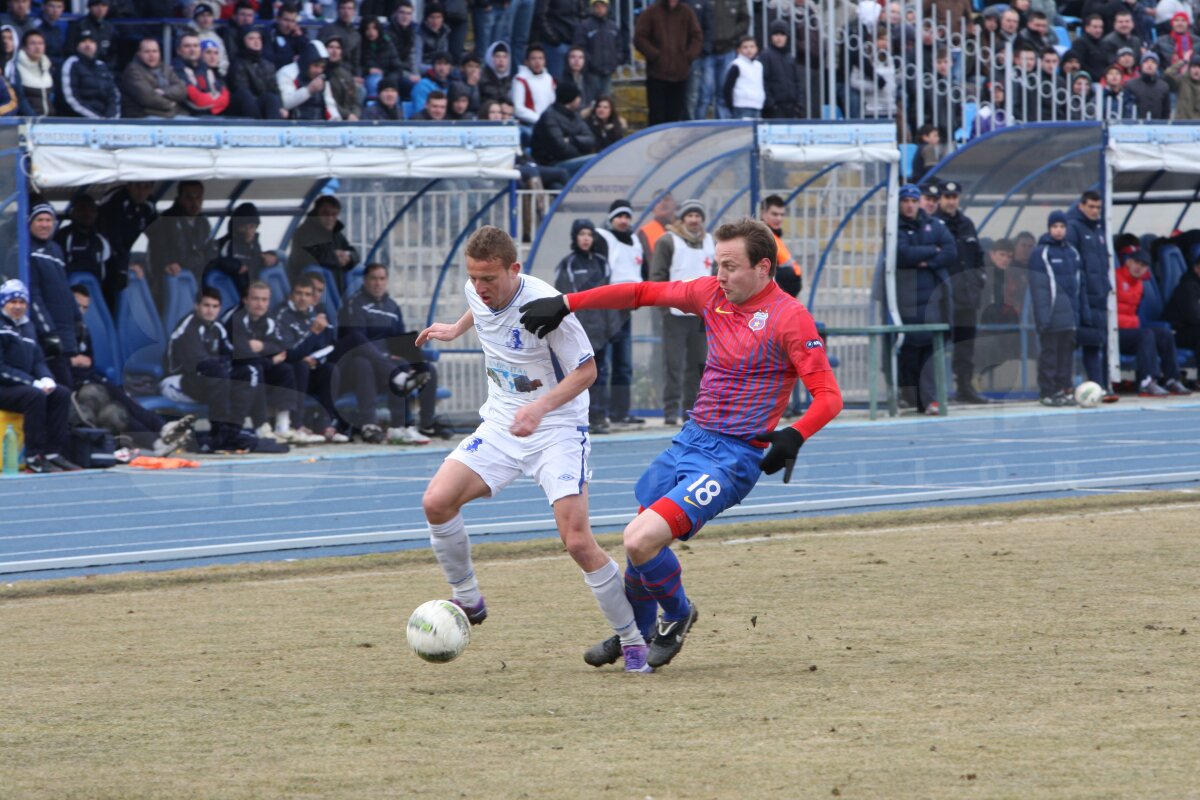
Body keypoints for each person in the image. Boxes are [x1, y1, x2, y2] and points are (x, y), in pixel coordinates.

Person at [518, 217, 843, 669]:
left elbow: (829, 397)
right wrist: (566, 303)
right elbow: (640, 293)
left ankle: (677, 615)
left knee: (639, 539)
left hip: (732, 458)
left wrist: (794, 433)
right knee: (643, 542)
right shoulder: (710, 294)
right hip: (690, 441)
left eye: (730, 266)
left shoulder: (790, 317)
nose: (720, 275)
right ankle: (635, 632)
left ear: (764, 268)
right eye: (716, 264)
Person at [416, 225, 653, 672]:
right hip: (503, 423)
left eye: (490, 279)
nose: (480, 288)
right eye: (474, 279)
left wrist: (540, 408)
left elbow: (586, 372)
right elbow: (480, 309)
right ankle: (469, 599)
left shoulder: (545, 305)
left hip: (557, 427)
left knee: (577, 541)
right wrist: (454, 328)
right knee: (437, 502)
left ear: (514, 269)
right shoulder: (476, 288)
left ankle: (632, 639)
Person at [69, 285, 195, 455]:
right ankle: (158, 435)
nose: (81, 311)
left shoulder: (83, 330)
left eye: (85, 308)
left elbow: (90, 362)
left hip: (90, 379)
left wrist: (83, 363)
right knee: (116, 407)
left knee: (122, 402)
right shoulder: (58, 330)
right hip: (74, 387)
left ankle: (160, 434)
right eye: (78, 306)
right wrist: (73, 360)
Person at [335, 263, 436, 444]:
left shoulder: (392, 307)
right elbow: (356, 341)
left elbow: (399, 339)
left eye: (382, 279)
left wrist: (409, 358)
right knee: (363, 361)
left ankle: (419, 425)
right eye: (373, 278)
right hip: (358, 365)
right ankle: (370, 425)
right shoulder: (355, 304)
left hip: (387, 364)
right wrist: (385, 358)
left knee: (425, 369)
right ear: (365, 280)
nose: (378, 283)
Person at [163, 287, 262, 453]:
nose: (210, 310)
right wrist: (225, 363)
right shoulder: (188, 326)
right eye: (206, 305)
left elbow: (231, 356)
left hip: (208, 380)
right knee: (219, 374)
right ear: (197, 306)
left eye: (215, 306)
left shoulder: (218, 327)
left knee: (249, 372)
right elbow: (199, 363)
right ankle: (219, 433)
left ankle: (232, 430)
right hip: (177, 383)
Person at [0, 279, 80, 473]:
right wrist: (32, 382)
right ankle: (33, 455)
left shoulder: (28, 327)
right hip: (4, 387)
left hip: (22, 386)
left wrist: (46, 379)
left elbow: (38, 361)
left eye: (22, 302)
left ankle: (53, 452)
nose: (18, 306)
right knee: (34, 396)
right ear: (4, 303)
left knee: (60, 393)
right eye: (13, 302)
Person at [650, 198, 713, 425]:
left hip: (700, 316)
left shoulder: (711, 242)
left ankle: (691, 410)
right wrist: (665, 309)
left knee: (697, 366)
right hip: (674, 315)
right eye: (690, 216)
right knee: (673, 365)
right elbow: (657, 277)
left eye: (698, 216)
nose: (694, 220)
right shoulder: (668, 241)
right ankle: (670, 410)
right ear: (682, 218)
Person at [895, 183, 956, 415]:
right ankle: (908, 396)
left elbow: (950, 251)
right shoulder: (895, 227)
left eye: (913, 201)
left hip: (933, 299)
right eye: (905, 201)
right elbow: (903, 253)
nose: (910, 206)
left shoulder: (935, 224)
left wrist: (926, 262)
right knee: (909, 350)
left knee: (932, 351)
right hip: (907, 299)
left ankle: (931, 400)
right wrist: (933, 250)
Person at [554, 219, 620, 432]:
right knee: (578, 373)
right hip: (579, 330)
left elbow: (610, 296)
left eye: (589, 234)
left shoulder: (602, 262)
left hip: (600, 328)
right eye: (582, 234)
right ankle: (579, 417)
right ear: (575, 237)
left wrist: (612, 326)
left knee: (601, 372)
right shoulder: (568, 264)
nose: (586, 238)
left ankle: (599, 416)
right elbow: (562, 298)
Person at [933, 180, 991, 404]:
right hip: (944, 298)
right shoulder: (935, 224)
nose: (951, 202)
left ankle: (965, 388)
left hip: (967, 297)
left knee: (966, 347)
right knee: (938, 346)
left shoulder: (966, 223)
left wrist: (980, 279)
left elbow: (977, 255)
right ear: (940, 199)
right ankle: (934, 392)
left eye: (954, 197)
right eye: (947, 197)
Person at [272, 276, 345, 443]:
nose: (302, 298)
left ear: (313, 298)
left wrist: (317, 359)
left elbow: (330, 346)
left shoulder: (318, 315)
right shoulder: (282, 314)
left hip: (313, 369)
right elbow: (290, 353)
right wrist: (312, 333)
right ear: (291, 295)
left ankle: (325, 424)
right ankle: (297, 425)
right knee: (299, 365)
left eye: (307, 294)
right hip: (290, 373)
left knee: (331, 369)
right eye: (299, 293)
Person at [593, 199, 644, 426]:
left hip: (627, 306)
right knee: (602, 361)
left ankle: (620, 411)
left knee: (623, 363)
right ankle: (598, 411)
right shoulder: (603, 237)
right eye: (619, 216)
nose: (623, 220)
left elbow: (642, 269)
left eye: (627, 216)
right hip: (607, 306)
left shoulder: (635, 240)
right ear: (611, 218)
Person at [1029, 210, 1086, 407]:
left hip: (1069, 318)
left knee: (1066, 355)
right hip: (1052, 317)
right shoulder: (1041, 253)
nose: (1059, 231)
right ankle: (1047, 391)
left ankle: (1064, 389)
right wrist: (1043, 318)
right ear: (1049, 228)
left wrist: (1081, 315)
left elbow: (1079, 287)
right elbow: (1040, 289)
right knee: (1050, 355)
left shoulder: (1072, 253)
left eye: (1062, 227)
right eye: (1055, 227)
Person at [1115, 249, 1191, 396]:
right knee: (1146, 334)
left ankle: (1172, 379)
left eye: (1143, 265)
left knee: (1164, 333)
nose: (1139, 267)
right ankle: (1146, 381)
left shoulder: (1140, 285)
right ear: (1128, 262)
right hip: (1115, 332)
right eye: (1137, 262)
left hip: (1131, 331)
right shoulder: (1115, 277)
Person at [1064, 190, 1111, 393]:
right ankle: (1064, 387)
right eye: (1091, 207)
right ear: (1081, 206)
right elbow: (1074, 264)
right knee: (1071, 345)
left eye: (1098, 207)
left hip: (1098, 298)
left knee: (1095, 344)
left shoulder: (1098, 230)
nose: (1094, 211)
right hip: (1081, 298)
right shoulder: (1073, 227)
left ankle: (1099, 387)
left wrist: (1106, 287)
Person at [634, 0, 702, 125]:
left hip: (680, 75)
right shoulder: (651, 12)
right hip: (657, 74)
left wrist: (688, 57)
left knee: (675, 117)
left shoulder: (687, 12)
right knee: (656, 116)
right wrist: (655, 56)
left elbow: (697, 36)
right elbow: (639, 37)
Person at [146, 181, 212, 301]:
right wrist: (166, 263)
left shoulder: (203, 223)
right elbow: (158, 251)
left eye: (198, 197)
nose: (194, 202)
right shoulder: (165, 221)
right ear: (179, 198)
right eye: (189, 197)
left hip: (198, 280)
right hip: (172, 283)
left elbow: (209, 252)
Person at [97, 181, 156, 303]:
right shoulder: (116, 201)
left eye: (146, 187)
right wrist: (126, 265)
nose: (141, 191)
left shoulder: (149, 204)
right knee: (117, 281)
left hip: (128, 254)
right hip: (108, 258)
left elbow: (158, 234)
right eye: (137, 186)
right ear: (129, 185)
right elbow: (111, 238)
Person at [55, 194, 116, 310]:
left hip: (96, 298)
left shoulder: (100, 240)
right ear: (74, 212)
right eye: (82, 209)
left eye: (91, 210)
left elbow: (110, 271)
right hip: (69, 296)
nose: (87, 213)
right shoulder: (63, 237)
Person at [287, 195, 359, 287]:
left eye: (334, 214)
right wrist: (335, 258)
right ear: (316, 213)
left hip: (336, 288)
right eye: (325, 213)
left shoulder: (335, 233)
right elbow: (307, 259)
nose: (330, 218)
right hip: (309, 288)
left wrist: (348, 257)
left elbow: (354, 252)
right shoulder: (302, 233)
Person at [531, 81, 595, 168]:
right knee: (592, 162)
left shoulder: (575, 115)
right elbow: (560, 148)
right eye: (578, 97)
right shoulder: (549, 116)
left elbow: (591, 139)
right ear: (571, 98)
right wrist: (581, 153)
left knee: (595, 160)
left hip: (575, 158)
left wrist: (572, 140)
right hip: (552, 163)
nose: (580, 99)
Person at [121, 38, 189, 119]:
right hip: (143, 116)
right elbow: (148, 98)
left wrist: (164, 92)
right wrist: (171, 104)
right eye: (147, 52)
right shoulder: (133, 71)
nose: (152, 55)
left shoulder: (165, 68)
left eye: (155, 51)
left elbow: (181, 90)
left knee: (196, 124)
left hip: (170, 115)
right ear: (138, 54)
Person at [227, 26, 285, 120]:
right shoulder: (237, 64)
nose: (256, 41)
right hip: (244, 107)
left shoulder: (268, 64)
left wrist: (281, 107)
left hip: (263, 103)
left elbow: (275, 89)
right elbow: (241, 89)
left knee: (271, 98)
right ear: (243, 41)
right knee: (246, 96)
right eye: (251, 38)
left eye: (258, 38)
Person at [278, 40, 341, 120]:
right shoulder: (287, 73)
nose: (319, 71)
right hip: (293, 127)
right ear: (306, 62)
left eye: (322, 67)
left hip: (320, 126)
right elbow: (285, 103)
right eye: (316, 66)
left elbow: (330, 105)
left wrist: (337, 121)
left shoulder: (322, 77)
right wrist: (308, 90)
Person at [61, 30, 118, 119]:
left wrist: (111, 117)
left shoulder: (102, 66)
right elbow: (71, 99)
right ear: (77, 45)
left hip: (106, 120)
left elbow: (113, 95)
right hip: (80, 120)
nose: (88, 45)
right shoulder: (71, 64)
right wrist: (97, 118)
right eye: (83, 41)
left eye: (91, 42)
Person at [175, 33, 231, 116]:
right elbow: (198, 100)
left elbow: (225, 96)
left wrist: (212, 106)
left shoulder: (206, 69)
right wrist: (214, 103)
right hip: (186, 117)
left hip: (210, 115)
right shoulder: (176, 70)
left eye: (195, 46)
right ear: (179, 51)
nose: (192, 50)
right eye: (187, 46)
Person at [574, 0, 620, 102]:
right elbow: (580, 47)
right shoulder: (585, 26)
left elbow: (618, 45)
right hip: (591, 72)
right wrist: (589, 63)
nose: (600, 9)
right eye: (597, 6)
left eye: (602, 6)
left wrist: (616, 60)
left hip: (608, 70)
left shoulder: (613, 26)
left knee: (605, 101)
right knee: (590, 102)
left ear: (607, 7)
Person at [760, 19, 804, 119]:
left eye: (782, 34)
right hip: (775, 109)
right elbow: (763, 82)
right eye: (776, 34)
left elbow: (796, 82)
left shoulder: (789, 57)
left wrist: (799, 104)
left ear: (787, 37)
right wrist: (771, 104)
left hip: (791, 108)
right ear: (771, 36)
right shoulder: (766, 56)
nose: (779, 38)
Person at [760, 194, 801, 297]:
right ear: (763, 214)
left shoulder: (774, 236)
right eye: (774, 214)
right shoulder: (763, 238)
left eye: (782, 215)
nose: (779, 218)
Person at [12, 30, 55, 116]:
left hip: (49, 121)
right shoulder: (16, 69)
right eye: (33, 43)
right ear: (24, 47)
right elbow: (20, 98)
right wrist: (33, 118)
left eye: (40, 43)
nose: (37, 47)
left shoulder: (48, 66)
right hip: (27, 122)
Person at [512, 44, 556, 128]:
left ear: (545, 61)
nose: (537, 62)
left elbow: (552, 102)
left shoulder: (549, 78)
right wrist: (539, 119)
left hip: (548, 123)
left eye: (540, 58)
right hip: (528, 124)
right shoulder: (520, 79)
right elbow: (518, 109)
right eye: (533, 58)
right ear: (527, 62)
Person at [721, 34, 763, 119]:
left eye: (752, 47)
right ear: (738, 50)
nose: (749, 50)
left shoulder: (759, 66)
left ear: (757, 49)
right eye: (745, 47)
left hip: (757, 106)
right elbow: (727, 88)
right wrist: (731, 106)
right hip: (741, 107)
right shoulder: (737, 65)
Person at [322, 35, 361, 120]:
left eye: (338, 48)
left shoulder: (346, 74)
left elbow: (355, 101)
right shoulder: (319, 73)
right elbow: (326, 102)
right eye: (331, 47)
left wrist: (355, 114)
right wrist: (346, 115)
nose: (334, 51)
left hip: (349, 119)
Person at [65, 0, 115, 66]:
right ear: (89, 7)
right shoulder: (78, 25)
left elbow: (114, 53)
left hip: (104, 67)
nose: (100, 9)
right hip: (82, 66)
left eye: (104, 5)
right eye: (96, 5)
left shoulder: (109, 27)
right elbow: (70, 49)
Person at [1126, 52, 1171, 119]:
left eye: (1153, 62)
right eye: (1146, 62)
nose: (1149, 64)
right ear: (1141, 65)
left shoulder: (1164, 86)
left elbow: (1166, 111)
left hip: (1157, 126)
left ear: (1157, 66)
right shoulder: (1131, 85)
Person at [319, 0, 362, 71]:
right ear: (338, 10)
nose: (346, 11)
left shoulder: (356, 35)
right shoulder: (327, 30)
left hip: (349, 73)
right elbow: (319, 55)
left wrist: (357, 76)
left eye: (349, 8)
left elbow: (356, 62)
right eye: (343, 8)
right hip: (329, 70)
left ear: (354, 12)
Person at [637, 191, 676, 259]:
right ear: (652, 208)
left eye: (666, 200)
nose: (663, 203)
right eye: (658, 201)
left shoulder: (685, 227)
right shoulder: (645, 232)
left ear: (674, 204)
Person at [479, 40, 512, 105]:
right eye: (497, 56)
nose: (501, 60)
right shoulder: (482, 77)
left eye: (504, 57)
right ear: (491, 58)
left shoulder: (509, 80)